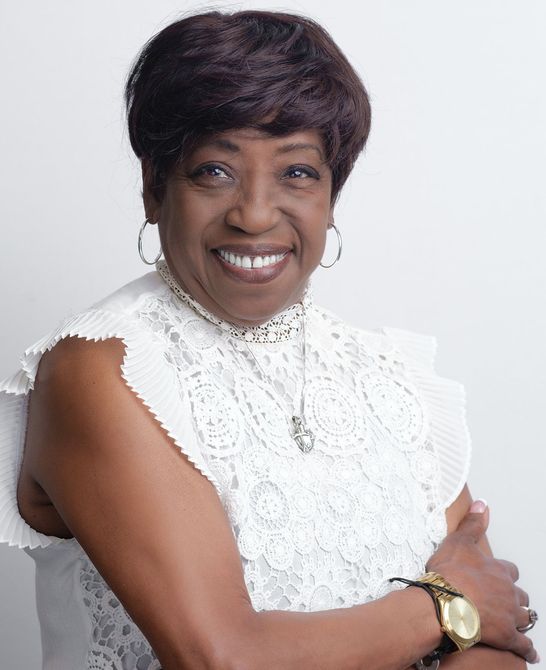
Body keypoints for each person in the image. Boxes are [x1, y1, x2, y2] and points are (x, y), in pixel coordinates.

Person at [0, 9, 539, 670]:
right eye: (214, 172)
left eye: (297, 173)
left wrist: (461, 611)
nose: (255, 213)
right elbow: (224, 658)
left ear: (331, 197)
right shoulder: (103, 370)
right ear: (152, 188)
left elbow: (495, 636)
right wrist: (439, 607)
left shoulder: (391, 376)